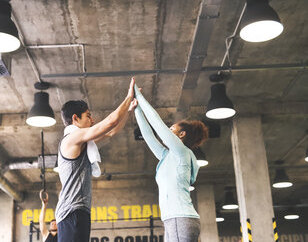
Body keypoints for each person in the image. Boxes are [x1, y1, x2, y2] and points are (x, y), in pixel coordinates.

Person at [55, 78, 137, 242]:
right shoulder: (71, 138)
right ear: (75, 119)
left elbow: (111, 132)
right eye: (88, 116)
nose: (92, 120)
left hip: (79, 211)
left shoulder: (83, 142)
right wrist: (128, 97)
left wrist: (129, 111)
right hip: (72, 212)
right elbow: (109, 122)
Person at [133, 84, 208, 242]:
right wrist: (137, 108)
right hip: (173, 220)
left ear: (181, 135)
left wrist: (140, 97)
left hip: (180, 218)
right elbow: (148, 135)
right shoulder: (167, 156)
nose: (167, 130)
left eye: (171, 128)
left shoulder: (181, 153)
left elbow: (156, 124)